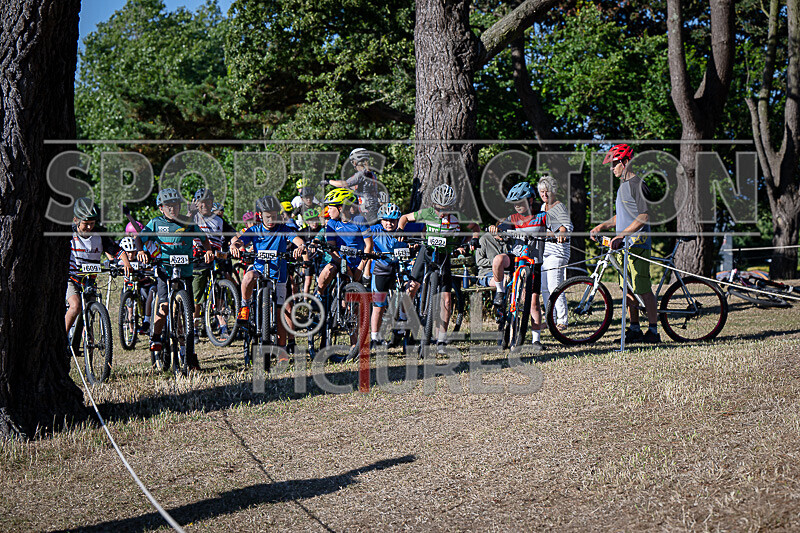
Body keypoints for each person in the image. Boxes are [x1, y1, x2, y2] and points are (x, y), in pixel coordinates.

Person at [398, 184, 481, 355]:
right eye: (438, 208)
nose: (441, 212)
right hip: (427, 252)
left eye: (446, 209)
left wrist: (470, 242)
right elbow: (405, 218)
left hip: (444, 256)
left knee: (447, 299)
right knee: (412, 287)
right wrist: (400, 229)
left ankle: (441, 341)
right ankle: (403, 318)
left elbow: (474, 228)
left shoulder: (458, 217)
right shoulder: (427, 213)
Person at [136, 188, 214, 370]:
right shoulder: (155, 223)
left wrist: (209, 251)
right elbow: (140, 238)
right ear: (161, 208)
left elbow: (203, 239)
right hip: (165, 271)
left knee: (187, 312)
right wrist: (140, 251)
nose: (173, 209)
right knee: (163, 307)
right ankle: (155, 337)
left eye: (176, 205)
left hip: (186, 271)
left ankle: (189, 353)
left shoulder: (188, 222)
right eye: (168, 206)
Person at [590, 143, 659, 344]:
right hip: (623, 246)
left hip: (637, 245)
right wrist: (602, 226)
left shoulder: (638, 184)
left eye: (614, 164)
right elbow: (620, 216)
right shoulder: (623, 187)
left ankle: (654, 332)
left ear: (625, 162)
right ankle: (634, 329)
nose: (612, 168)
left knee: (642, 288)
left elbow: (644, 216)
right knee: (627, 289)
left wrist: (622, 236)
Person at [229, 195, 307, 350]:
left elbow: (298, 240)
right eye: (267, 217)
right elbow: (240, 240)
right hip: (259, 270)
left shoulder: (283, 229)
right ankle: (244, 306)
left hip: (279, 275)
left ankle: (282, 350)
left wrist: (300, 247)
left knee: (280, 313)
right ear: (260, 216)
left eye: (274, 216)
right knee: (248, 276)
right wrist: (234, 246)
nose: (271, 220)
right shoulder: (255, 230)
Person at [488, 182, 548, 351]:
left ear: (530, 201)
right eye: (515, 204)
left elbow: (559, 226)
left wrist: (561, 233)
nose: (517, 207)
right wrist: (496, 230)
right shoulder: (512, 218)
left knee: (533, 303)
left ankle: (536, 340)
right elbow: (501, 228)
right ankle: (500, 292)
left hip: (533, 262)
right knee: (498, 260)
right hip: (515, 259)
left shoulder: (541, 216)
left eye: (520, 203)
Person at [66, 198, 132, 335]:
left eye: (92, 223)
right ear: (75, 220)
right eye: (85, 224)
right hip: (72, 279)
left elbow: (116, 250)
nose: (89, 227)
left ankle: (87, 343)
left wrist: (126, 263)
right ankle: (62, 338)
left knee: (89, 317)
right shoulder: (69, 235)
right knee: (76, 306)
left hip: (90, 280)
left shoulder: (99, 235)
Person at [188, 188, 237, 337]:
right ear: (196, 203)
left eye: (208, 202)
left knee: (219, 293)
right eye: (201, 202)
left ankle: (223, 326)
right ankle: (194, 327)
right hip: (198, 261)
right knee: (196, 296)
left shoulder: (219, 220)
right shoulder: (193, 218)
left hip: (216, 260)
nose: (205, 205)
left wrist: (234, 244)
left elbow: (232, 235)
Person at [366, 203, 409, 351]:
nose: (389, 223)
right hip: (380, 271)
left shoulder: (401, 232)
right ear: (380, 220)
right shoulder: (374, 230)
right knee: (379, 306)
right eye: (386, 220)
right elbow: (364, 242)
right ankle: (375, 337)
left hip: (397, 270)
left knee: (404, 299)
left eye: (393, 221)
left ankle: (401, 331)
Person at [537, 176, 573, 332]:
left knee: (554, 287)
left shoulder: (558, 207)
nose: (545, 195)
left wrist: (560, 232)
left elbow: (567, 227)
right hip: (544, 253)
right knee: (544, 288)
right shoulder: (542, 208)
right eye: (542, 192)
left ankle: (562, 320)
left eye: (547, 192)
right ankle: (550, 319)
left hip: (557, 253)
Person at [324, 148, 380, 223]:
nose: (353, 164)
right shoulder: (371, 173)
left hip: (367, 209)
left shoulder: (362, 174)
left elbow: (344, 184)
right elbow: (351, 187)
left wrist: (328, 181)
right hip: (371, 208)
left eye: (353, 161)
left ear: (357, 161)